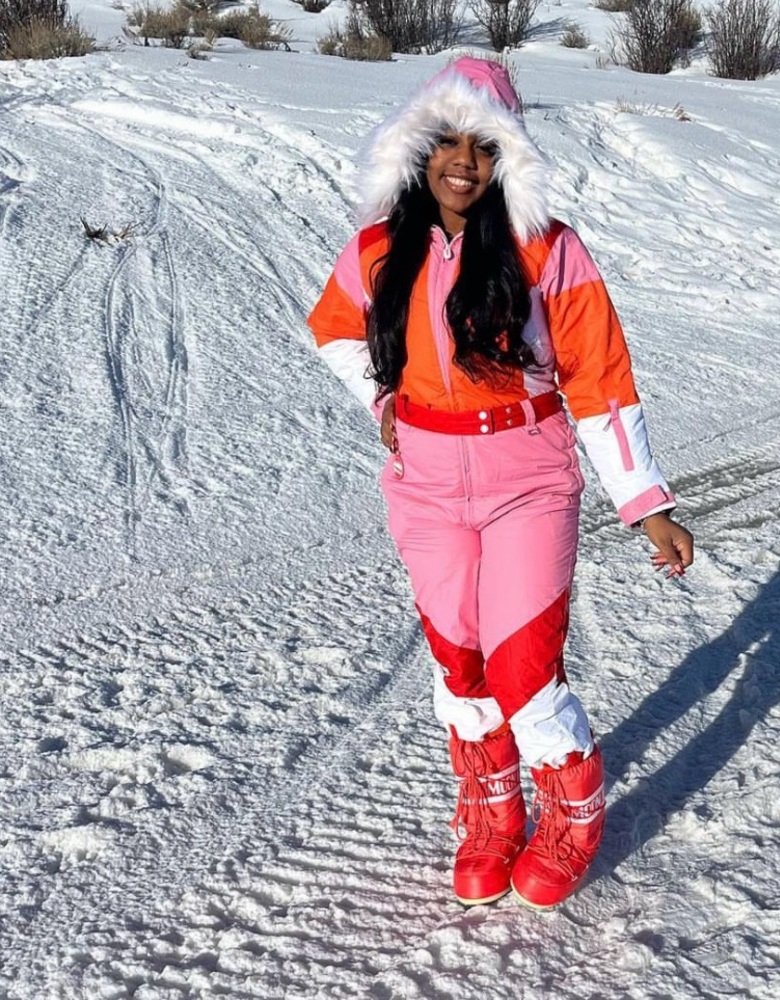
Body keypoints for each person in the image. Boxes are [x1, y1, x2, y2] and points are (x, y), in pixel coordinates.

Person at [307, 57, 694, 911]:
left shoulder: (549, 247)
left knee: (523, 666)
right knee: (459, 663)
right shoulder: (377, 249)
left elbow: (598, 377)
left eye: (484, 145)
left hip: (528, 475)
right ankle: (489, 808)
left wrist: (646, 501)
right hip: (426, 484)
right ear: (416, 146)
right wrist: (381, 395)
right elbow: (333, 328)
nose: (463, 161)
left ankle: (571, 809)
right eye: (446, 139)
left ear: (508, 156)